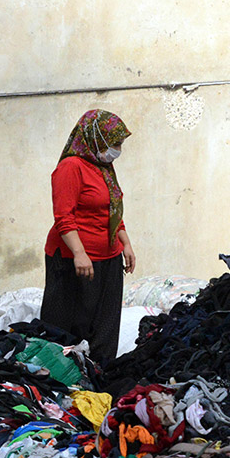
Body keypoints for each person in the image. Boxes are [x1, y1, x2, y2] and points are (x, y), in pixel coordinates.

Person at [41, 109, 136, 364]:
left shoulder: (104, 168)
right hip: (75, 260)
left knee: (104, 325)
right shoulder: (71, 167)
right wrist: (79, 254)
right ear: (96, 139)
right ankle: (63, 380)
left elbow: (112, 210)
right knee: (69, 324)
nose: (117, 150)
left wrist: (125, 243)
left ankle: (100, 378)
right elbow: (64, 216)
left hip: (108, 257)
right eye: (114, 143)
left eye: (120, 144)